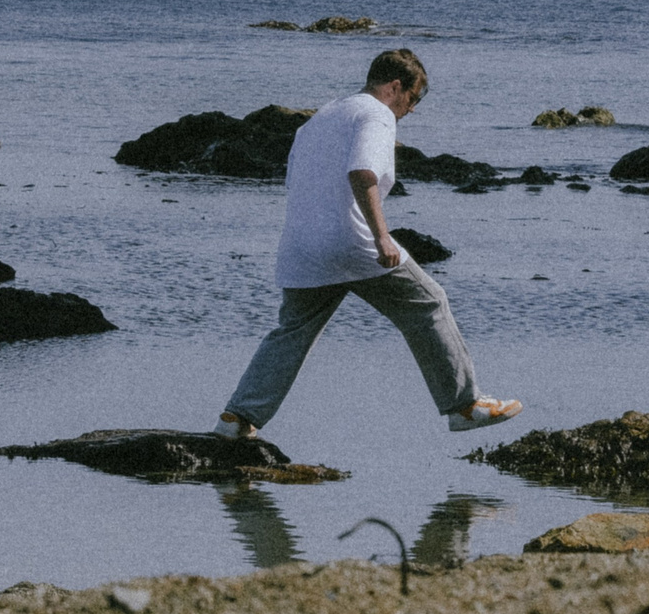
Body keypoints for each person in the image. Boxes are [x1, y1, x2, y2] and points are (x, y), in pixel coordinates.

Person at [214, 48, 523, 439]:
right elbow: (362, 173)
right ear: (395, 87)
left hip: (300, 247)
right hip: (352, 243)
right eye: (413, 99)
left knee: (292, 332)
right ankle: (464, 405)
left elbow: (296, 183)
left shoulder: (322, 117)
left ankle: (237, 418)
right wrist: (381, 237)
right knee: (429, 303)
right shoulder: (376, 114)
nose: (411, 110)